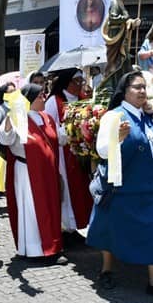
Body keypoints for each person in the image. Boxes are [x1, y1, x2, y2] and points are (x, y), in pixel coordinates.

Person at [86, 71, 153, 300]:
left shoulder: (148, 117)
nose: (142, 91)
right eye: (137, 87)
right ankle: (106, 270)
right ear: (124, 91)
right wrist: (116, 138)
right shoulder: (114, 116)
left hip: (148, 187)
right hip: (120, 186)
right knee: (111, 229)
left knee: (152, 232)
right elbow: (101, 151)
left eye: (144, 88)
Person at [0, 83, 63, 260]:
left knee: (50, 207)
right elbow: (5, 138)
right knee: (32, 209)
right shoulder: (19, 117)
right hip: (27, 171)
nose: (44, 97)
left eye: (44, 94)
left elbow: (59, 138)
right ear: (29, 100)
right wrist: (10, 120)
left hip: (47, 171)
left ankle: (52, 245)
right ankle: (35, 250)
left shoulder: (47, 117)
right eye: (40, 95)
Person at [44, 69, 93, 235]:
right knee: (67, 191)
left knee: (82, 189)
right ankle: (67, 228)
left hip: (81, 153)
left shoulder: (82, 99)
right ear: (67, 82)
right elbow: (49, 128)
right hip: (63, 154)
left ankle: (80, 224)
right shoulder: (54, 101)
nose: (80, 85)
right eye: (76, 81)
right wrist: (68, 131)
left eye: (82, 81)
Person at [100, 0, 140, 89]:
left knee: (124, 59)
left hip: (121, 35)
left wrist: (133, 23)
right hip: (115, 35)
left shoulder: (121, 3)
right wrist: (126, 18)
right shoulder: (114, 3)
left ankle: (123, 83)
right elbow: (113, 18)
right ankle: (111, 84)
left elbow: (124, 21)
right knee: (115, 60)